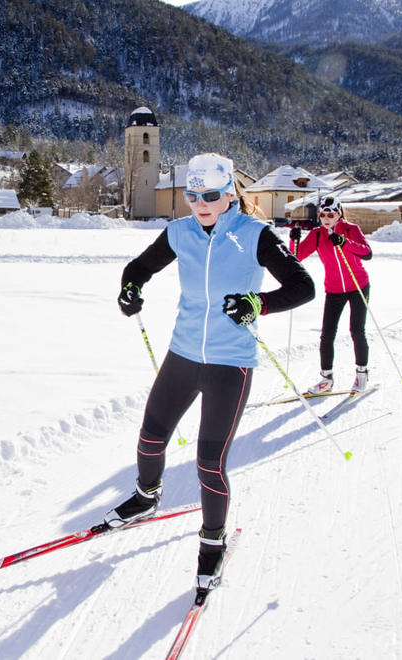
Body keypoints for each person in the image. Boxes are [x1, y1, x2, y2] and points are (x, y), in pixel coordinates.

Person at [107, 153, 314, 592]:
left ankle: (212, 542)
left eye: (211, 195)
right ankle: (147, 498)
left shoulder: (255, 235)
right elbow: (138, 269)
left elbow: (303, 287)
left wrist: (258, 304)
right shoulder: (179, 232)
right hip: (182, 355)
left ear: (230, 194)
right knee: (149, 436)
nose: (200, 203)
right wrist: (130, 290)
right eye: (192, 194)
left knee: (209, 462)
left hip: (229, 363)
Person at [288, 197, 373, 394]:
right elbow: (296, 258)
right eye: (322, 215)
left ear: (339, 214)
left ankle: (362, 373)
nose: (326, 218)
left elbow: (367, 253)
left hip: (358, 285)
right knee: (327, 334)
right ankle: (326, 379)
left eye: (330, 214)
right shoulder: (318, 235)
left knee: (357, 330)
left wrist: (344, 242)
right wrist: (293, 240)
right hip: (334, 289)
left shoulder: (351, 229)